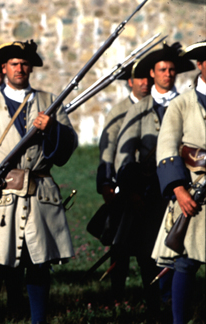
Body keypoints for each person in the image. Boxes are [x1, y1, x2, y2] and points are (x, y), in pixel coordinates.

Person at [0, 40, 78, 324]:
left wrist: (51, 127)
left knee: (38, 265)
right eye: (14, 64)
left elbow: (67, 149)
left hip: (39, 194)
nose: (20, 68)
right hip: (1, 196)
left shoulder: (50, 101)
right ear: (4, 68)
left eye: (25, 64)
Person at [115, 42, 195, 317]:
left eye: (172, 70)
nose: (168, 74)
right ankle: (154, 305)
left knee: (182, 250)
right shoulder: (141, 109)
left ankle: (174, 302)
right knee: (149, 251)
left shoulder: (187, 102)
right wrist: (130, 190)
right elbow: (124, 154)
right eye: (162, 69)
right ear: (152, 73)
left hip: (183, 189)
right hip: (147, 194)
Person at [152, 39, 206, 324]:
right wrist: (178, 189)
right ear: (202, 65)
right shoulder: (181, 104)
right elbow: (167, 148)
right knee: (185, 263)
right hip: (194, 195)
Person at [96, 60, 153, 302]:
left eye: (147, 78)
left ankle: (154, 297)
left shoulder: (157, 108)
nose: (144, 83)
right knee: (120, 245)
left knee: (147, 246)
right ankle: (117, 296)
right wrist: (106, 184)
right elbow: (107, 149)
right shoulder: (119, 110)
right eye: (138, 78)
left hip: (150, 187)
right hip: (123, 186)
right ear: (130, 82)